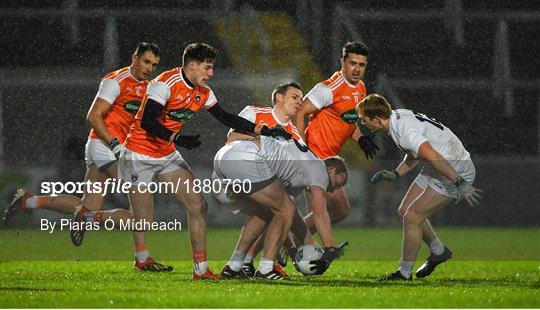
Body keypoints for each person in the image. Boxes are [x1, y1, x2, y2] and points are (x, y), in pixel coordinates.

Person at [119, 42, 291, 280]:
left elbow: (226, 117)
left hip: (165, 154)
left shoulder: (204, 92)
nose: (211, 73)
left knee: (198, 206)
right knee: (142, 218)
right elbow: (147, 121)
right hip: (137, 154)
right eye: (207, 68)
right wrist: (176, 137)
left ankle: (200, 270)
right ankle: (90, 217)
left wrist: (264, 130)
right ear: (192, 65)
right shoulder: (164, 85)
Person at [3, 42, 160, 258]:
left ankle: (27, 200)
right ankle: (142, 257)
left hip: (113, 150)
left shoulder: (147, 88)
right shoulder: (115, 81)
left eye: (154, 64)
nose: (150, 68)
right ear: (135, 57)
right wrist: (115, 145)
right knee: (141, 204)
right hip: (105, 147)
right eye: (146, 61)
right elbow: (93, 116)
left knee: (89, 207)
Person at [213, 82, 348, 279]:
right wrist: (329, 248)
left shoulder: (294, 136)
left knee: (269, 211)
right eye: (295, 97)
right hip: (242, 158)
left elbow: (289, 211)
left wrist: (294, 248)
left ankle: (235, 265)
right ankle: (265, 269)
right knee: (284, 208)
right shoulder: (255, 112)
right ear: (279, 97)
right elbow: (319, 212)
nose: (335, 188)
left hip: (224, 168)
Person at [355, 94, 483, 281]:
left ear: (376, 119)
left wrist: (459, 181)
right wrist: (396, 174)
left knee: (412, 217)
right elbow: (415, 152)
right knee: (404, 211)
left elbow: (430, 155)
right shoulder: (396, 117)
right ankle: (439, 251)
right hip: (440, 165)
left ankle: (404, 273)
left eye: (364, 120)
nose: (363, 123)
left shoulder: (403, 131)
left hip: (453, 169)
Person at [293, 41, 378, 230]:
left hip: (329, 161)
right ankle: (289, 244)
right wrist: (301, 149)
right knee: (331, 211)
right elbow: (300, 112)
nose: (357, 69)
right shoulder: (328, 89)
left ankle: (293, 246)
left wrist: (360, 138)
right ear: (342, 62)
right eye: (352, 63)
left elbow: (348, 119)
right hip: (316, 158)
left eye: (361, 64)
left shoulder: (361, 88)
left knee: (334, 212)